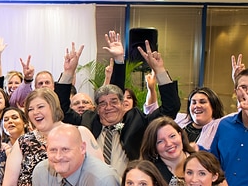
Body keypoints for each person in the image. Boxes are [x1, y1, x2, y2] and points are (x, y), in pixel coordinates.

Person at [56, 34, 180, 177]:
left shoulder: (137, 120)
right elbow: (61, 110)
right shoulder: (86, 121)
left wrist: (159, 70)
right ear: (96, 108)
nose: (109, 107)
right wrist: (68, 72)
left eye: (114, 102)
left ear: (123, 104)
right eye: (102, 103)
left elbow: (171, 108)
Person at [139, 117, 196, 186]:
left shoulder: (203, 162)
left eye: (172, 136)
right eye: (160, 141)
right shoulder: (151, 176)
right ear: (154, 147)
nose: (169, 144)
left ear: (180, 135)